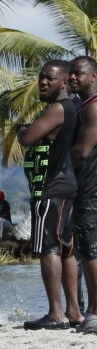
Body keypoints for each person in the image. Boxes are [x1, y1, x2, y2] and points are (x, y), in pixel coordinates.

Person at [18, 59, 82, 330]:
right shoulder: (75, 107)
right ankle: (74, 312)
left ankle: (55, 313)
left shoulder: (58, 108)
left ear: (65, 82)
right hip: (67, 187)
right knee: (66, 250)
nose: (42, 82)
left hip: (50, 188)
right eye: (41, 77)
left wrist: (21, 128)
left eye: (50, 78)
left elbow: (28, 138)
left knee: (49, 249)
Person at [69, 55, 97, 328]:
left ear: (94, 77)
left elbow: (82, 152)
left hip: (88, 188)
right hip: (88, 187)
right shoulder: (84, 106)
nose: (73, 77)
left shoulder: (92, 108)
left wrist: (59, 171)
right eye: (71, 73)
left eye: (79, 73)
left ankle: (95, 310)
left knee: (90, 249)